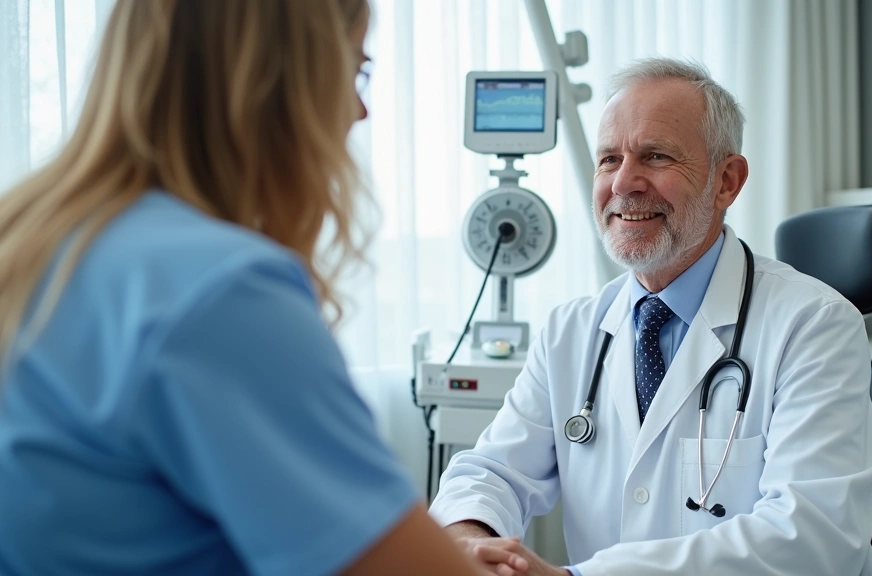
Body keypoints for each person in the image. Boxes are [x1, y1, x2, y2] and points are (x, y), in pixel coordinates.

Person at [0, 1, 526, 575]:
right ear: (275, 79)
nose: (360, 109)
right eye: (355, 68)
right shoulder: (221, 291)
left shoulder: (31, 241)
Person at [429, 57, 872, 576]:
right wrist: (470, 541)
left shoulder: (815, 326)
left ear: (727, 182)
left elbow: (810, 539)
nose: (624, 184)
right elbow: (492, 471)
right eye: (608, 159)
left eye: (656, 156)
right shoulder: (571, 331)